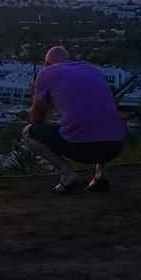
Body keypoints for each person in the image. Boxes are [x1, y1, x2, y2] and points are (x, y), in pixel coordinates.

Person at [22, 46, 125, 193]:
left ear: (47, 64)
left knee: (28, 132)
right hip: (115, 146)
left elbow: (37, 119)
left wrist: (35, 96)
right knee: (99, 120)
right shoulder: (91, 69)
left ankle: (68, 175)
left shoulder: (46, 73)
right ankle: (102, 173)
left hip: (81, 148)